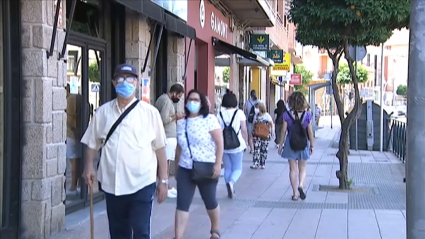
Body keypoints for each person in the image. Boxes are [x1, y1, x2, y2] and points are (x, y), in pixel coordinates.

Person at [81, 64, 168, 239]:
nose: (125, 83)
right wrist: (88, 166)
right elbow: (92, 142)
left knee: (141, 230)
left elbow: (160, 148)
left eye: (130, 79)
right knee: (118, 232)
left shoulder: (150, 113)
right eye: (120, 79)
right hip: (112, 184)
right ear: (114, 83)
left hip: (142, 183)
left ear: (136, 83)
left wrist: (163, 180)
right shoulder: (103, 112)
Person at [174, 89, 223, 239]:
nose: (192, 102)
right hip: (186, 167)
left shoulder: (210, 120)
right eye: (190, 100)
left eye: (196, 100)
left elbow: (219, 142)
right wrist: (176, 167)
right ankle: (178, 236)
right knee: (182, 203)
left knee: (210, 200)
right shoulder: (182, 122)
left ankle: (215, 230)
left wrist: (218, 163)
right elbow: (179, 146)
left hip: (206, 166)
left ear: (201, 103)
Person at [278, 92, 314, 201]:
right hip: (303, 143)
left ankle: (294, 194)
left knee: (292, 169)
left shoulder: (286, 115)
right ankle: (301, 185)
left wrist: (280, 144)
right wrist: (312, 145)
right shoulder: (307, 115)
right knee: (302, 168)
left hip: (290, 143)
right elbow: (310, 132)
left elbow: (283, 131)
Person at [154, 83, 185, 198]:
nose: (179, 99)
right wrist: (176, 117)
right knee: (165, 163)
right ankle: (164, 186)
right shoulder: (167, 101)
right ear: (174, 93)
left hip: (166, 135)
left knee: (165, 162)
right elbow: (164, 119)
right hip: (167, 135)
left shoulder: (162, 99)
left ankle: (165, 185)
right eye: (179, 96)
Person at [217, 91, 248, 199]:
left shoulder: (220, 114)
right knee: (238, 168)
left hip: (224, 145)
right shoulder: (239, 113)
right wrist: (246, 141)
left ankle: (229, 187)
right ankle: (231, 182)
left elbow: (219, 130)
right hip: (237, 144)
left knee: (227, 169)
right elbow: (243, 129)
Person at [66, 84, 82, 196]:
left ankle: (73, 186)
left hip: (72, 133)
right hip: (80, 132)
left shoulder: (69, 100)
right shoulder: (80, 98)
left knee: (73, 161)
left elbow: (69, 117)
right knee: (79, 160)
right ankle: (80, 186)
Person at [250, 102, 274, 169]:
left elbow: (271, 124)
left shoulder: (267, 115)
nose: (256, 109)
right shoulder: (256, 116)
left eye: (257, 108)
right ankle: (255, 163)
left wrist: (272, 131)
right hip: (257, 134)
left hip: (265, 135)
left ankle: (262, 163)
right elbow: (253, 124)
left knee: (264, 149)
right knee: (256, 149)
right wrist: (252, 132)